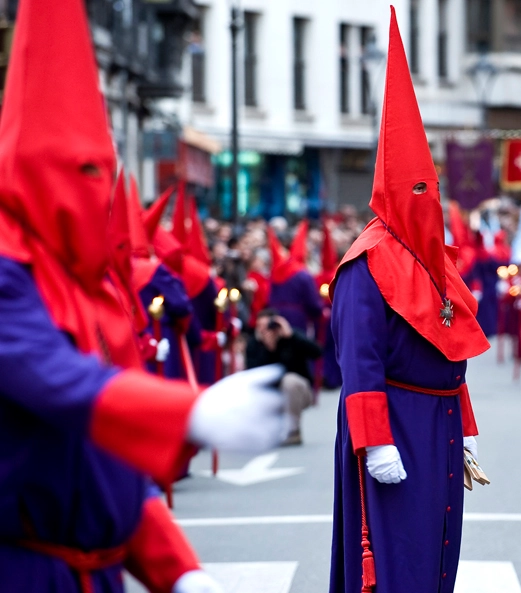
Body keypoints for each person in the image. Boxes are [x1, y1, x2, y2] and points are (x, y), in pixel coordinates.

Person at [0, 2, 288, 591]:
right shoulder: (8, 270)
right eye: (79, 171)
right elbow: (55, 381)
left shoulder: (90, 285)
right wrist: (190, 410)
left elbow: (108, 464)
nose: (93, 191)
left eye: (102, 172)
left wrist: (178, 569)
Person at [327, 10, 490, 593]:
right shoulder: (366, 264)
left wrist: (466, 422)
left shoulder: (434, 258)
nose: (429, 199)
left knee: (438, 551)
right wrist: (373, 443)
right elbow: (359, 363)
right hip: (395, 423)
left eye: (434, 188)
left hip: (440, 420)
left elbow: (449, 345)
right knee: (393, 559)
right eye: (416, 188)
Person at [247, 310, 321, 446]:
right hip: (269, 395)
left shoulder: (291, 338)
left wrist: (291, 336)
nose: (263, 330)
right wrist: (269, 349)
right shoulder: (254, 344)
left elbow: (316, 352)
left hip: (298, 393)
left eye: (267, 325)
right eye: (259, 326)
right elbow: (253, 374)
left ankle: (293, 431)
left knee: (289, 380)